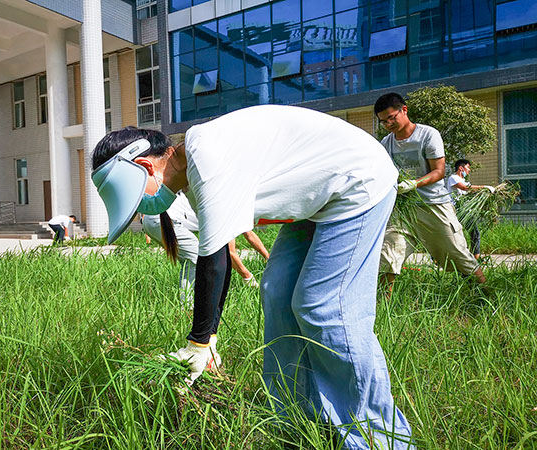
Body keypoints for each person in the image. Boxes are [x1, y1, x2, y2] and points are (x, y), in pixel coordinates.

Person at [91, 106, 414, 449]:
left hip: (357, 182)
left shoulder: (207, 153)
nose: (142, 211)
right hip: (318, 199)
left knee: (325, 308)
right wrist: (208, 340)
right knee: (276, 292)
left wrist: (198, 343)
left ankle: (379, 437)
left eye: (136, 200)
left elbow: (213, 258)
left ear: (144, 167)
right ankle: (300, 420)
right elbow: (219, 253)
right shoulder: (201, 167)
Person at [374, 93, 486, 296]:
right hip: (403, 209)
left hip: (433, 204)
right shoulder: (386, 143)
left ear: (404, 110)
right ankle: (383, 307)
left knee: (458, 254)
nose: (389, 123)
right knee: (388, 254)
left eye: (392, 117)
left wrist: (414, 184)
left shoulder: (427, 134)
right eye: (383, 121)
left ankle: (487, 296)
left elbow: (439, 171)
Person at [142, 191, 269, 307]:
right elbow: (230, 252)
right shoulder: (226, 208)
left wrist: (267, 257)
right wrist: (250, 280)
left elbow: (249, 235)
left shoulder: (231, 207)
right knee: (195, 256)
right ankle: (187, 305)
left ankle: (190, 301)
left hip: (153, 219)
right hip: (162, 220)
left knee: (192, 257)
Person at [447, 159, 495, 259]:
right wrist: (485, 187)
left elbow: (470, 191)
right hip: (457, 210)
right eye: (468, 167)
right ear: (461, 168)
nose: (469, 170)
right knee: (451, 234)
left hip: (466, 211)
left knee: (475, 234)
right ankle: (437, 257)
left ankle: (475, 260)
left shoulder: (465, 181)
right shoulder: (453, 178)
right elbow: (464, 188)